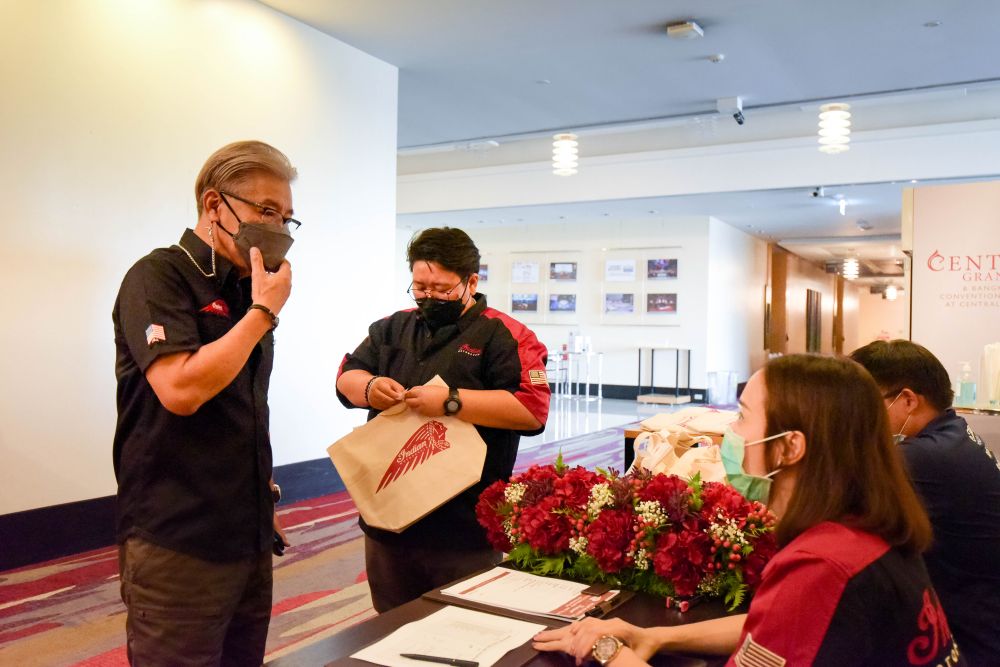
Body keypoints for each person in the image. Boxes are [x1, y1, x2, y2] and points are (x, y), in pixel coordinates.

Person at [534, 354, 965, 666]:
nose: (731, 433)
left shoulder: (820, 565)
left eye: (741, 417)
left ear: (790, 446)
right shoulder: (868, 528)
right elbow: (778, 628)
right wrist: (655, 637)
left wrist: (607, 650)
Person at [112, 140, 298, 665]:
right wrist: (263, 313)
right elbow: (181, 391)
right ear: (215, 204)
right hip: (179, 538)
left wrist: (260, 497)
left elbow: (242, 409)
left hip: (247, 534)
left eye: (286, 217)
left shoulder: (246, 289)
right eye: (266, 210)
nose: (279, 228)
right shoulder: (158, 277)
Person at [336, 227, 550, 613]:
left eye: (442, 289)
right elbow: (347, 377)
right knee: (389, 624)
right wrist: (370, 388)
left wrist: (451, 401)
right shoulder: (392, 327)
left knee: (465, 627)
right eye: (420, 287)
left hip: (464, 525)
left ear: (471, 282)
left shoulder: (504, 334)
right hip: (388, 514)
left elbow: (531, 410)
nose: (429, 297)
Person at [851, 339, 1000, 666]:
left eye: (865, 403)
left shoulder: (925, 457)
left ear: (907, 400)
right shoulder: (952, 434)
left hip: (972, 641)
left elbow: (840, 505)